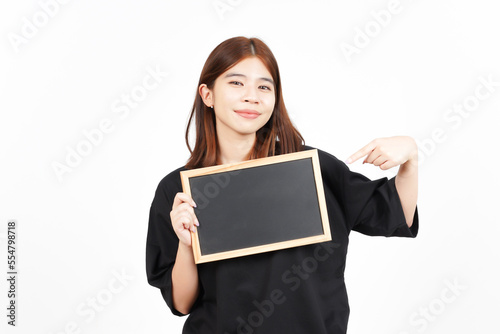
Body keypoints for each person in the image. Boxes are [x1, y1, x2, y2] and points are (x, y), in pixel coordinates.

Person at [146, 36, 418, 334]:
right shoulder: (179, 190)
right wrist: (187, 245)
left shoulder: (313, 168)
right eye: (236, 83)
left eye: (264, 86)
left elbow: (397, 215)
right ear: (207, 94)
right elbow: (182, 303)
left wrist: (411, 157)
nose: (252, 96)